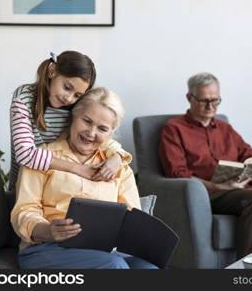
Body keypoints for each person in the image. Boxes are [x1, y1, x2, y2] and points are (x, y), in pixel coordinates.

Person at [159, 72, 252, 259]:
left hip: (240, 190)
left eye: (215, 101)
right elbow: (176, 173)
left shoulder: (225, 129)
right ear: (189, 98)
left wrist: (246, 175)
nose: (211, 107)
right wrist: (216, 186)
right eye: (204, 101)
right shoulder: (174, 128)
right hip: (209, 196)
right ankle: (248, 266)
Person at [11, 87, 157, 269]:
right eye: (87, 121)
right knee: (114, 266)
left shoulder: (118, 167)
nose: (91, 132)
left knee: (148, 268)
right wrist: (48, 231)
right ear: (73, 116)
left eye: (102, 128)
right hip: (48, 247)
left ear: (110, 133)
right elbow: (24, 211)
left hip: (107, 250)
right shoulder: (42, 158)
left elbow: (133, 215)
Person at [9, 51, 131, 193]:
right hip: (27, 188)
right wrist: (79, 169)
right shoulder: (24, 98)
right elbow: (25, 154)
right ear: (52, 71)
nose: (69, 98)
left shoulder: (75, 105)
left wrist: (118, 156)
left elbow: (98, 130)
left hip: (61, 187)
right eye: (67, 87)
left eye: (77, 95)